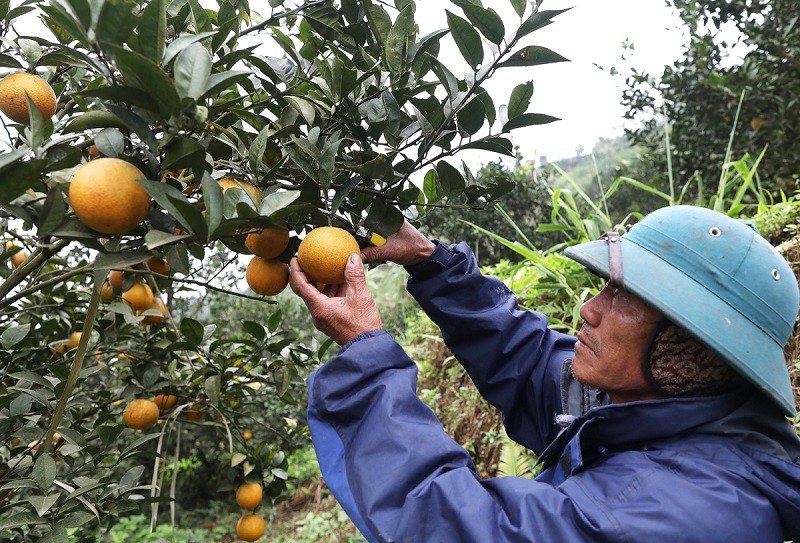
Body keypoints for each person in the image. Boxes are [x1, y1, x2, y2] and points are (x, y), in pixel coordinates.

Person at [289, 205, 800, 543]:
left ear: (691, 343)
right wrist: (430, 262)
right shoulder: (659, 409)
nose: (587, 308)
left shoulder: (688, 511)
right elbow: (529, 363)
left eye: (621, 296)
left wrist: (364, 356)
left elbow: (458, 530)